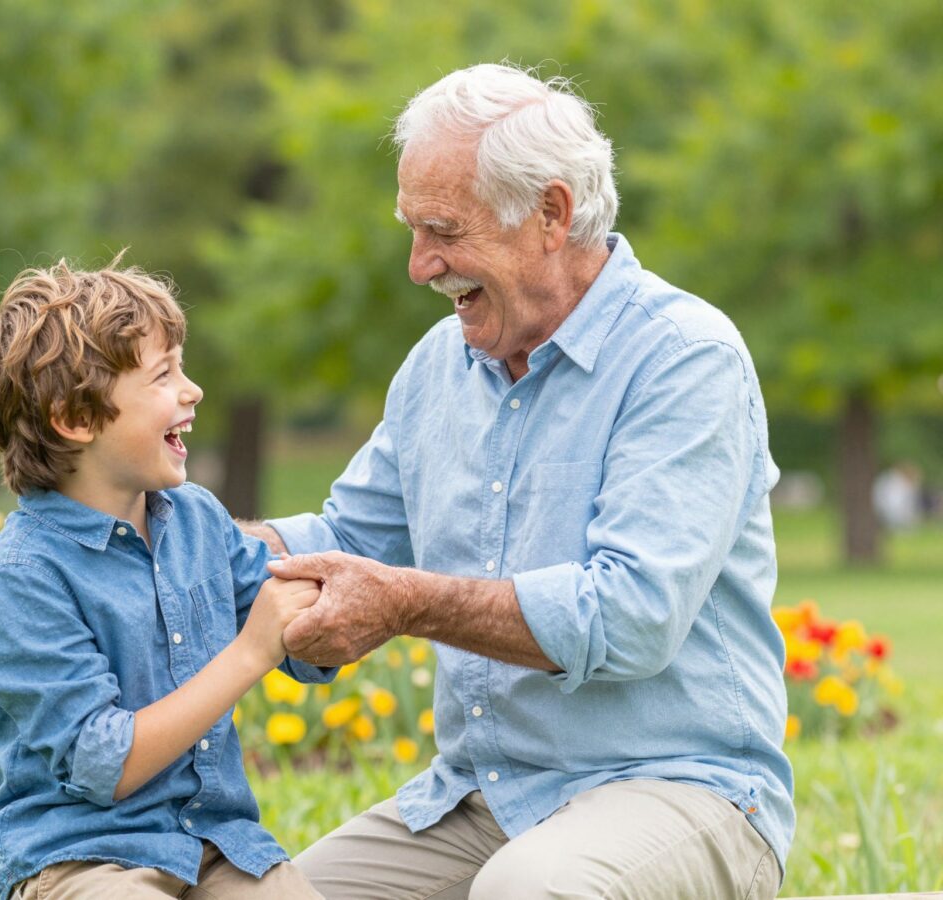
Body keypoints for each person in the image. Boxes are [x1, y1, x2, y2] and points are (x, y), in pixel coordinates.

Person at [244, 63, 793, 899]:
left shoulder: (685, 359)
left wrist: (404, 603)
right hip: (484, 798)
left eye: (443, 231)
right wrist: (188, 544)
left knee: (529, 891)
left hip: (683, 788)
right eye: (412, 231)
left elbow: (630, 616)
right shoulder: (438, 367)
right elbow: (349, 542)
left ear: (550, 214)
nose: (419, 265)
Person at [0, 257, 328, 900]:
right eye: (164, 375)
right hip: (76, 860)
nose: (193, 391)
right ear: (76, 418)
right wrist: (250, 653)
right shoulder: (22, 580)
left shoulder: (197, 521)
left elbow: (297, 637)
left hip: (215, 848)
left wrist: (344, 608)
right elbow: (106, 763)